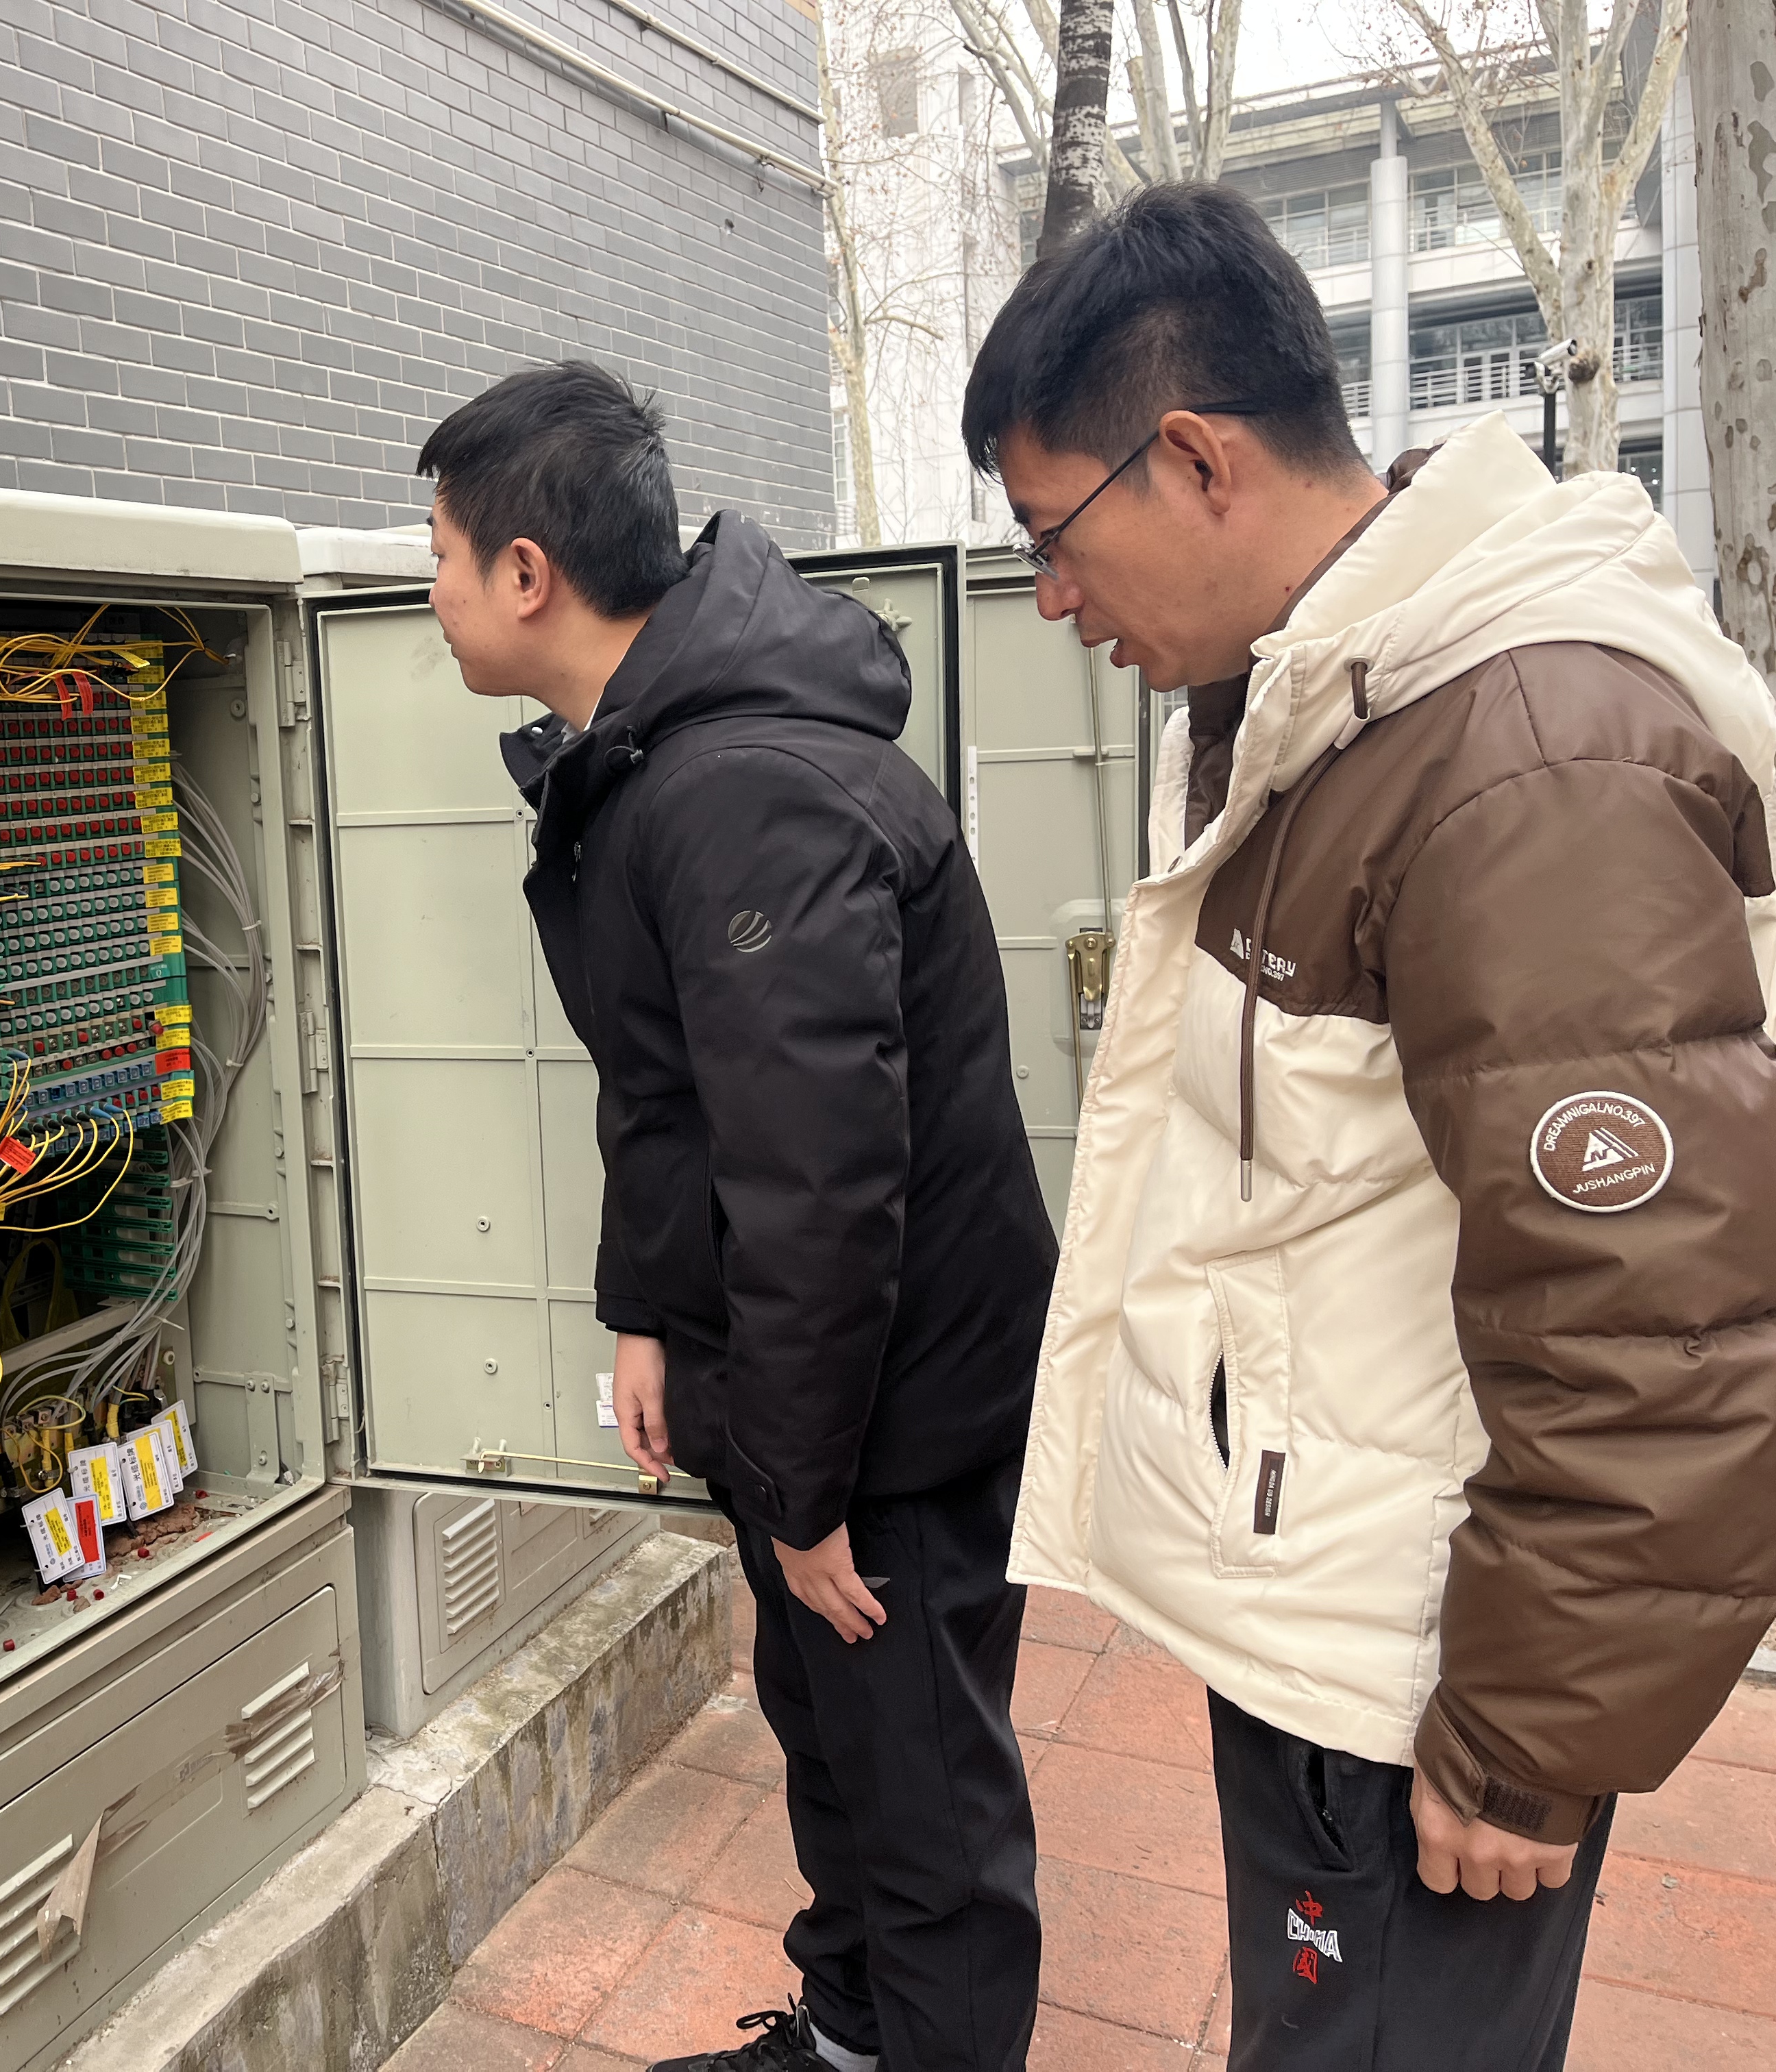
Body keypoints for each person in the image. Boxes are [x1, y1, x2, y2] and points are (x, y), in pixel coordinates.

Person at [968, 184, 1776, 2071]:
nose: (1051, 600)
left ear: (1196, 458)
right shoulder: (1332, 701)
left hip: (1426, 1684)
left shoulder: (1523, 759)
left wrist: (1525, 1743)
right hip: (1338, 1612)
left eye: (1053, 534)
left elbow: (1663, 1321)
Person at [417, 362, 1058, 2072]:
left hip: (892, 1417)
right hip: (824, 1403)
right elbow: (672, 1094)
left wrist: (807, 1491)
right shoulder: (655, 759)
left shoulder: (740, 792)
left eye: (442, 558)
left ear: (528, 574)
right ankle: (846, 2044)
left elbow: (818, 1185)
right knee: (839, 1755)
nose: (432, 595)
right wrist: (645, 1318)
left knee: (924, 1821)